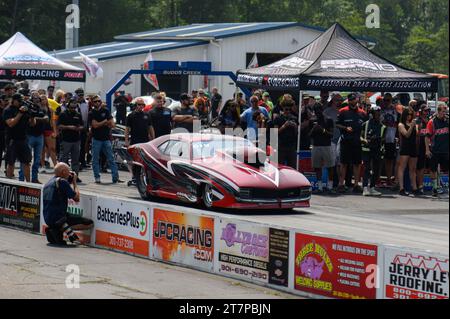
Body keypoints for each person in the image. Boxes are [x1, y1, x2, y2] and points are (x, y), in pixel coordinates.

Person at [43, 163, 93, 245]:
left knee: (66, 216)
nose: (70, 173)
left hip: (48, 219)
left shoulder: (48, 183)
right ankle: (58, 229)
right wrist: (74, 182)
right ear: (63, 172)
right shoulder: (62, 182)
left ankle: (53, 228)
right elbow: (76, 198)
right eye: (68, 171)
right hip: (59, 219)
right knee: (89, 223)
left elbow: (61, 190)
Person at [336, 93, 367, 194]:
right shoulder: (342, 111)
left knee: (357, 164)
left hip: (357, 142)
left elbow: (365, 127)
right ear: (348, 101)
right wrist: (345, 128)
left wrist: (363, 137)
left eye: (354, 99)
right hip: (345, 141)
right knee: (343, 163)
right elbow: (337, 124)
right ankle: (341, 184)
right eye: (351, 100)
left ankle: (356, 184)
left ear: (357, 100)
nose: (353, 101)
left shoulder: (362, 113)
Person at [89, 96, 122, 184]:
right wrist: (105, 122)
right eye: (95, 101)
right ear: (92, 102)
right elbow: (94, 125)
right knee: (95, 159)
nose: (97, 103)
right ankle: (97, 177)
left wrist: (102, 123)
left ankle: (115, 177)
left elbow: (112, 124)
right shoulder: (91, 112)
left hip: (106, 138)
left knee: (111, 158)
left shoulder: (106, 110)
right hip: (96, 139)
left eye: (98, 101)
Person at [19, 92, 49, 184]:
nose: (36, 100)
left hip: (39, 136)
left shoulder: (41, 109)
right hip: (29, 136)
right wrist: (40, 118)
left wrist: (36, 117)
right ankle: (21, 178)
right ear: (31, 99)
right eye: (34, 98)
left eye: (38, 98)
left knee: (37, 160)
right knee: (25, 159)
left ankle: (34, 178)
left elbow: (47, 119)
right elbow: (30, 121)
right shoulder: (28, 109)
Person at [3, 94, 34, 182]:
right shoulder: (8, 110)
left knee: (26, 162)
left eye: (21, 100)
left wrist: (32, 116)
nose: (20, 102)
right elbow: (10, 124)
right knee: (11, 162)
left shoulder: (25, 109)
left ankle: (29, 183)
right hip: (12, 139)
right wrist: (20, 113)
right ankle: (9, 183)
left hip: (23, 139)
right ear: (13, 100)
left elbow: (32, 124)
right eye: (18, 100)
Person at [309, 103, 335, 193]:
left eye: (319, 110)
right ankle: (320, 187)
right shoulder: (312, 120)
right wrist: (314, 129)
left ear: (322, 109)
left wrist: (323, 130)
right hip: (316, 146)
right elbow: (309, 135)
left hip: (326, 145)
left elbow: (332, 135)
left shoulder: (328, 119)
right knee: (317, 167)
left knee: (330, 167)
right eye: (315, 110)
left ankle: (330, 187)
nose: (317, 112)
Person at [361, 105, 386, 196]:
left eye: (379, 114)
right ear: (372, 114)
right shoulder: (365, 124)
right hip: (366, 149)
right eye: (376, 114)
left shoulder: (382, 126)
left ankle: (372, 187)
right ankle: (365, 188)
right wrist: (364, 140)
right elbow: (360, 135)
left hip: (377, 149)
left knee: (376, 170)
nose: (378, 116)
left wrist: (379, 140)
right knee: (367, 168)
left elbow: (383, 139)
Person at [58, 97, 84, 182]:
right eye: (71, 107)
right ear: (68, 106)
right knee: (63, 159)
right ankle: (62, 176)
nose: (73, 109)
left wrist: (78, 128)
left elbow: (82, 126)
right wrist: (68, 127)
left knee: (75, 160)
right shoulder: (63, 114)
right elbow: (59, 126)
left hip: (76, 140)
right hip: (66, 140)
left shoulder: (78, 114)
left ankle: (75, 177)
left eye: (74, 107)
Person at [426, 104, 449, 197]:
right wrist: (427, 150)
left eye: (446, 111)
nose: (445, 113)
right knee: (433, 169)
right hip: (435, 150)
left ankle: (446, 187)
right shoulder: (432, 122)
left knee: (447, 169)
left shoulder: (447, 121)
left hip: (446, 150)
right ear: (438, 111)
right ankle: (435, 188)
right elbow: (427, 137)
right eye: (443, 111)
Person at [397, 108, 419, 196]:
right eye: (408, 114)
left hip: (413, 147)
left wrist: (416, 126)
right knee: (402, 167)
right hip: (405, 147)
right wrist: (411, 126)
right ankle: (401, 188)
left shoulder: (414, 124)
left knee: (413, 168)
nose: (409, 116)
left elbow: (417, 134)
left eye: (411, 114)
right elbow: (406, 134)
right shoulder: (401, 124)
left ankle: (414, 187)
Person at [273, 99, 298, 169]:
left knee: (292, 168)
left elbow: (296, 133)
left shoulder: (294, 118)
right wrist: (284, 126)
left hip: (291, 147)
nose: (288, 111)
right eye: (286, 109)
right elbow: (274, 133)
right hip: (281, 147)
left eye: (290, 109)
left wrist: (295, 126)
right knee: (280, 168)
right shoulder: (278, 118)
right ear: (283, 108)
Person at [381, 93, 398, 187]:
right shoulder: (380, 109)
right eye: (385, 100)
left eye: (388, 100)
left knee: (390, 159)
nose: (387, 102)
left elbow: (395, 123)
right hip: (381, 138)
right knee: (379, 160)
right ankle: (377, 178)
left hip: (391, 138)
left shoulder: (395, 110)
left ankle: (388, 178)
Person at [416, 104, 432, 196]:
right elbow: (417, 134)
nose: (427, 112)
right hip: (420, 146)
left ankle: (435, 185)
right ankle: (420, 186)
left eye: (428, 111)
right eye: (425, 111)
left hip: (431, 145)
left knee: (432, 166)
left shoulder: (430, 121)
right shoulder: (417, 121)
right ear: (421, 111)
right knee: (420, 167)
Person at [74, 88, 90, 170]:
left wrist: (87, 129)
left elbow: (88, 117)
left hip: (84, 127)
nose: (80, 97)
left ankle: (82, 161)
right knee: (76, 146)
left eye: (82, 95)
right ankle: (75, 161)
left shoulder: (87, 103)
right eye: (79, 95)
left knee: (83, 146)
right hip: (75, 128)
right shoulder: (73, 103)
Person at [0, 95, 8, 174]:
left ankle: (7, 169)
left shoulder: (8, 109)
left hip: (7, 133)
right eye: (5, 100)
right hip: (1, 133)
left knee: (8, 153)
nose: (6, 102)